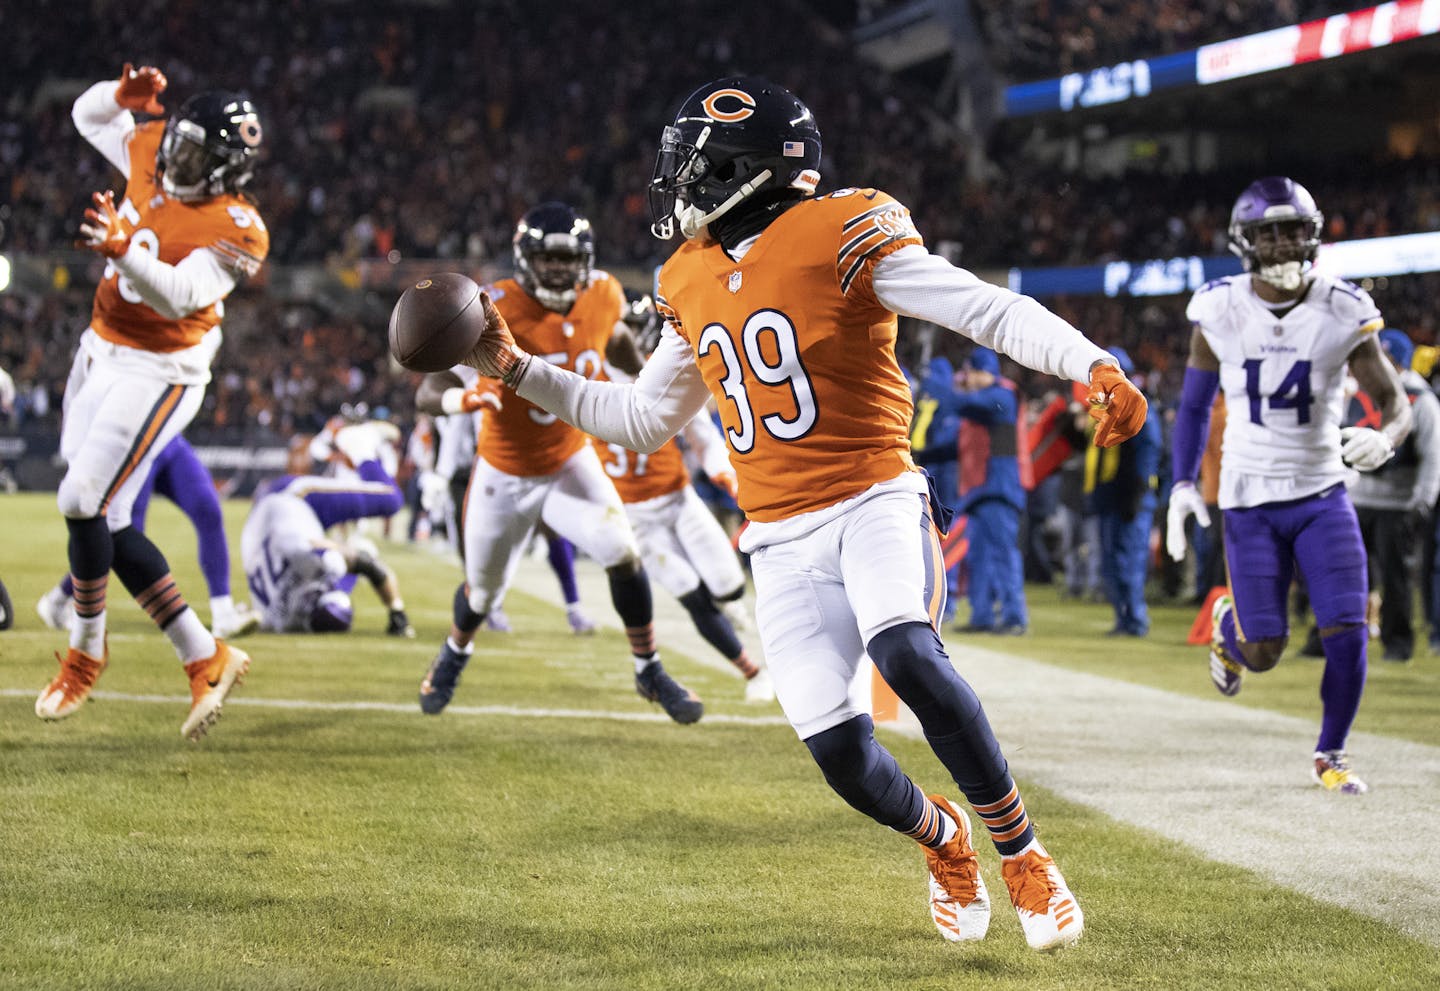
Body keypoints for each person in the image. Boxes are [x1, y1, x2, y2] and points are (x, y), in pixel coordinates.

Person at [459, 76, 1147, 950]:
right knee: (839, 752)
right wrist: (517, 368)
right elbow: (635, 417)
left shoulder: (843, 230)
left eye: (691, 167)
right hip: (779, 540)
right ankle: (945, 839)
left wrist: (1089, 363)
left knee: (905, 648)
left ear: (741, 170)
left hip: (874, 497)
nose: (676, 186)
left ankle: (1025, 854)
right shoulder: (689, 276)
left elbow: (982, 307)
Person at [36, 64, 267, 741]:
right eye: (179, 144)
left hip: (161, 370)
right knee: (104, 519)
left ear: (229, 170)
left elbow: (181, 294)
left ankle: (85, 650)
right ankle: (205, 653)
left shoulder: (238, 226)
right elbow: (87, 117)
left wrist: (119, 251)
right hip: (98, 347)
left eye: (196, 156)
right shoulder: (156, 145)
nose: (177, 158)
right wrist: (119, 96)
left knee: (81, 502)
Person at [1166, 176, 1411, 795]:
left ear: (1314, 234)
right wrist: (1180, 484)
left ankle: (1331, 752)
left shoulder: (1343, 307)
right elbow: (1194, 408)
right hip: (1249, 500)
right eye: (1268, 233)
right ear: (1245, 242)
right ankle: (1230, 631)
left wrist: (1387, 437)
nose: (1281, 245)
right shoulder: (1218, 307)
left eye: (1293, 231)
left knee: (1347, 627)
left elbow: (1394, 400)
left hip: (1322, 492)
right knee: (1266, 649)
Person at [413, 201, 703, 724]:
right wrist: (462, 402)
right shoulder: (493, 306)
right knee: (482, 593)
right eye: (547, 259)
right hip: (504, 470)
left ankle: (648, 667)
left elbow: (610, 337)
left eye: (567, 260)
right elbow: (430, 389)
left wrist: (646, 382)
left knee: (622, 551)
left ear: (585, 261)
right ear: (526, 258)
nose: (558, 269)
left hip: (570, 460)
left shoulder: (605, 293)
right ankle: (455, 652)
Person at [598, 293, 773, 702]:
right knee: (691, 592)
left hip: (679, 501)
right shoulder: (595, 385)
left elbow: (705, 439)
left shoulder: (666, 386)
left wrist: (725, 476)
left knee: (730, 588)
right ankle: (752, 672)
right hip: (636, 517)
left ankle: (733, 605)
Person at [35, 434, 262, 639]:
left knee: (208, 510)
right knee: (123, 536)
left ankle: (223, 614)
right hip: (138, 438)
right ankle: (58, 599)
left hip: (168, 437)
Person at [241, 424, 415, 636]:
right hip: (265, 521)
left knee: (391, 499)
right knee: (354, 553)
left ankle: (360, 445)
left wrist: (398, 612)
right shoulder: (278, 620)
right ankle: (361, 448)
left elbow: (368, 565)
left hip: (291, 500)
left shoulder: (316, 563)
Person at [1339, 329, 1440, 661]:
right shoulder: (1360, 395)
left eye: (1388, 360)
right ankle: (1337, 638)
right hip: (1356, 497)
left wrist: (1422, 501)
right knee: (1345, 574)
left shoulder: (1420, 400)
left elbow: (1432, 456)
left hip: (1397, 502)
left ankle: (1398, 643)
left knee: (1395, 579)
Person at [949, 348, 1029, 634]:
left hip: (999, 488)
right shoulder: (987, 401)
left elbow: (960, 403)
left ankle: (1014, 617)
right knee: (979, 556)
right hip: (982, 489)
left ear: (984, 373)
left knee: (1003, 554)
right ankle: (982, 614)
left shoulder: (1002, 397)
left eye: (971, 372)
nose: (967, 379)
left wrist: (942, 382)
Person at [1087, 347, 1161, 636]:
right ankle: (1124, 618)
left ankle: (1135, 620)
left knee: (1128, 561)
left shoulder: (1139, 407)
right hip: (1111, 496)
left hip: (1130, 498)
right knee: (1111, 562)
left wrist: (1137, 494)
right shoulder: (1106, 409)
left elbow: (1147, 452)